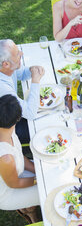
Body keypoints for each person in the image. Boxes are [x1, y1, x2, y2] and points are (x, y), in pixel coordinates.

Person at [0, 94, 40, 223]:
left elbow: (19, 155)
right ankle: (28, 208)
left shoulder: (7, 130)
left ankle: (29, 209)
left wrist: (36, 170)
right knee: (51, 191)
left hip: (18, 172)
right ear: (18, 119)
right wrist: (38, 180)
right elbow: (15, 183)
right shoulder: (5, 157)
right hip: (8, 191)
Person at [0, 39, 45, 145]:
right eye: (17, 54)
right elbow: (30, 113)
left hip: (11, 114)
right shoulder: (3, 89)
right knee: (43, 126)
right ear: (6, 64)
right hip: (7, 129)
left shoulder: (7, 67)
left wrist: (33, 70)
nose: (22, 54)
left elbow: (23, 73)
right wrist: (35, 81)